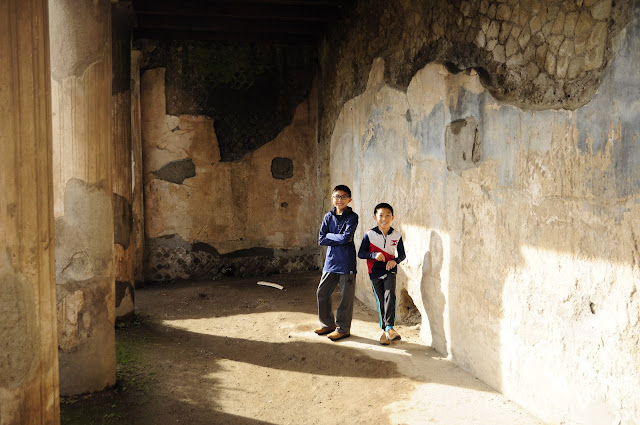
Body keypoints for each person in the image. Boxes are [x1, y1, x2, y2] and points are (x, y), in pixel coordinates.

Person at [315, 185, 359, 341]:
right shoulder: (328, 216)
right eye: (337, 196)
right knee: (322, 293)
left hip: (346, 262)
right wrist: (339, 237)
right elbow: (321, 239)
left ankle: (343, 328)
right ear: (332, 198)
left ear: (349, 200)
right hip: (331, 262)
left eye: (343, 197)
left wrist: (330, 235)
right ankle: (328, 324)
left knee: (345, 298)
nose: (340, 200)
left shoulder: (352, 217)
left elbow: (347, 237)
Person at [358, 202, 406, 345]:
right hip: (374, 271)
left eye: (388, 215)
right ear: (375, 217)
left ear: (392, 218)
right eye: (381, 216)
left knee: (390, 295)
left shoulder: (397, 235)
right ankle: (386, 331)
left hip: (390, 269)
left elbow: (402, 255)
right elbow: (361, 253)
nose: (384, 219)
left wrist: (395, 261)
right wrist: (373, 255)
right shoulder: (369, 235)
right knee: (381, 300)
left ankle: (390, 327)